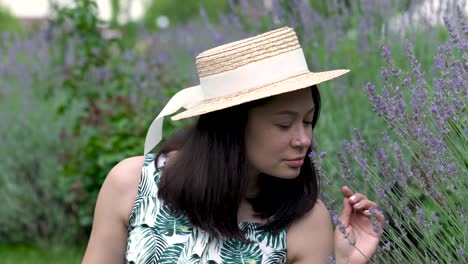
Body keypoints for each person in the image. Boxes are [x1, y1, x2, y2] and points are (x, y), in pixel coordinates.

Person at [82, 27, 385, 263]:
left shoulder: (305, 223)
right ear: (232, 126)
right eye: (283, 124)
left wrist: (343, 261)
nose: (304, 140)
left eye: (307, 121)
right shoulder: (134, 185)